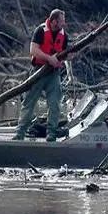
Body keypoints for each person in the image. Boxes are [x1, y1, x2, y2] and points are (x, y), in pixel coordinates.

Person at [13, 9, 68, 142]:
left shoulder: (64, 35)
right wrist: (49, 59)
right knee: (29, 102)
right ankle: (20, 133)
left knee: (54, 104)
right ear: (54, 21)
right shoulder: (41, 30)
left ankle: (52, 133)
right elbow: (33, 50)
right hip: (38, 71)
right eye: (61, 21)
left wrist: (70, 55)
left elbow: (66, 54)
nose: (64, 23)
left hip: (53, 74)